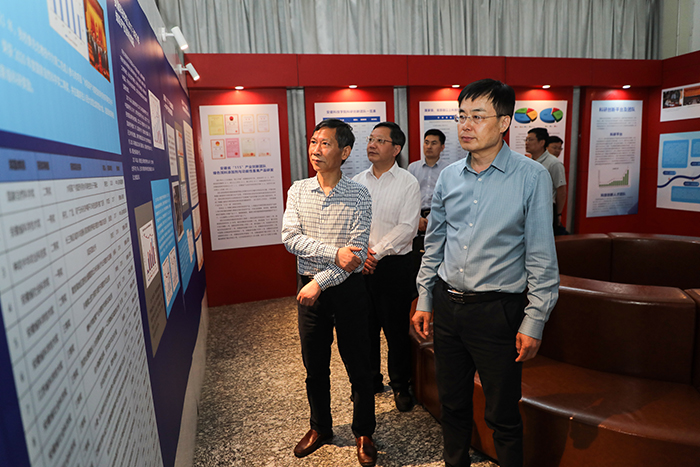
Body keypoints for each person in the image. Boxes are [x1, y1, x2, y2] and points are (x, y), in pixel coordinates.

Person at [412, 79, 559, 467]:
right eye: (462, 116)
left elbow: (542, 257)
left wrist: (534, 321)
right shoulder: (449, 176)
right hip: (448, 307)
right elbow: (435, 244)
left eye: (478, 116)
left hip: (497, 311)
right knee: (452, 403)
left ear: (505, 122)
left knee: (502, 413)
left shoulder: (531, 176)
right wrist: (425, 297)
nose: (466, 125)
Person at [282, 118, 377, 467]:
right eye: (313, 142)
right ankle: (320, 427)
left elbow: (357, 257)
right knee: (314, 365)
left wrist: (320, 281)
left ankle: (364, 432)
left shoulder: (359, 194)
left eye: (325, 143)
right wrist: (334, 253)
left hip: (346, 290)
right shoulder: (297, 190)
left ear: (345, 151)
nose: (316, 149)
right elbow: (290, 238)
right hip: (309, 291)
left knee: (359, 365)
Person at [352, 122, 421, 412]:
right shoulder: (357, 181)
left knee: (396, 331)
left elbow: (407, 227)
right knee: (364, 330)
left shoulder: (408, 182)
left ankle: (401, 385)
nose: (372, 144)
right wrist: (362, 255)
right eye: (370, 139)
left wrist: (375, 253)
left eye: (380, 140)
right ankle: (370, 381)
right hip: (360, 267)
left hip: (394, 267)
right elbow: (350, 223)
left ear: (396, 149)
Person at [408, 129, 447, 234]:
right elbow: (408, 196)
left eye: (434, 143)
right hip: (415, 217)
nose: (429, 146)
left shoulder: (447, 170)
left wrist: (431, 218)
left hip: (439, 217)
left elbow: (447, 197)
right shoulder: (413, 168)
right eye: (426, 143)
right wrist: (418, 218)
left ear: (442, 147)